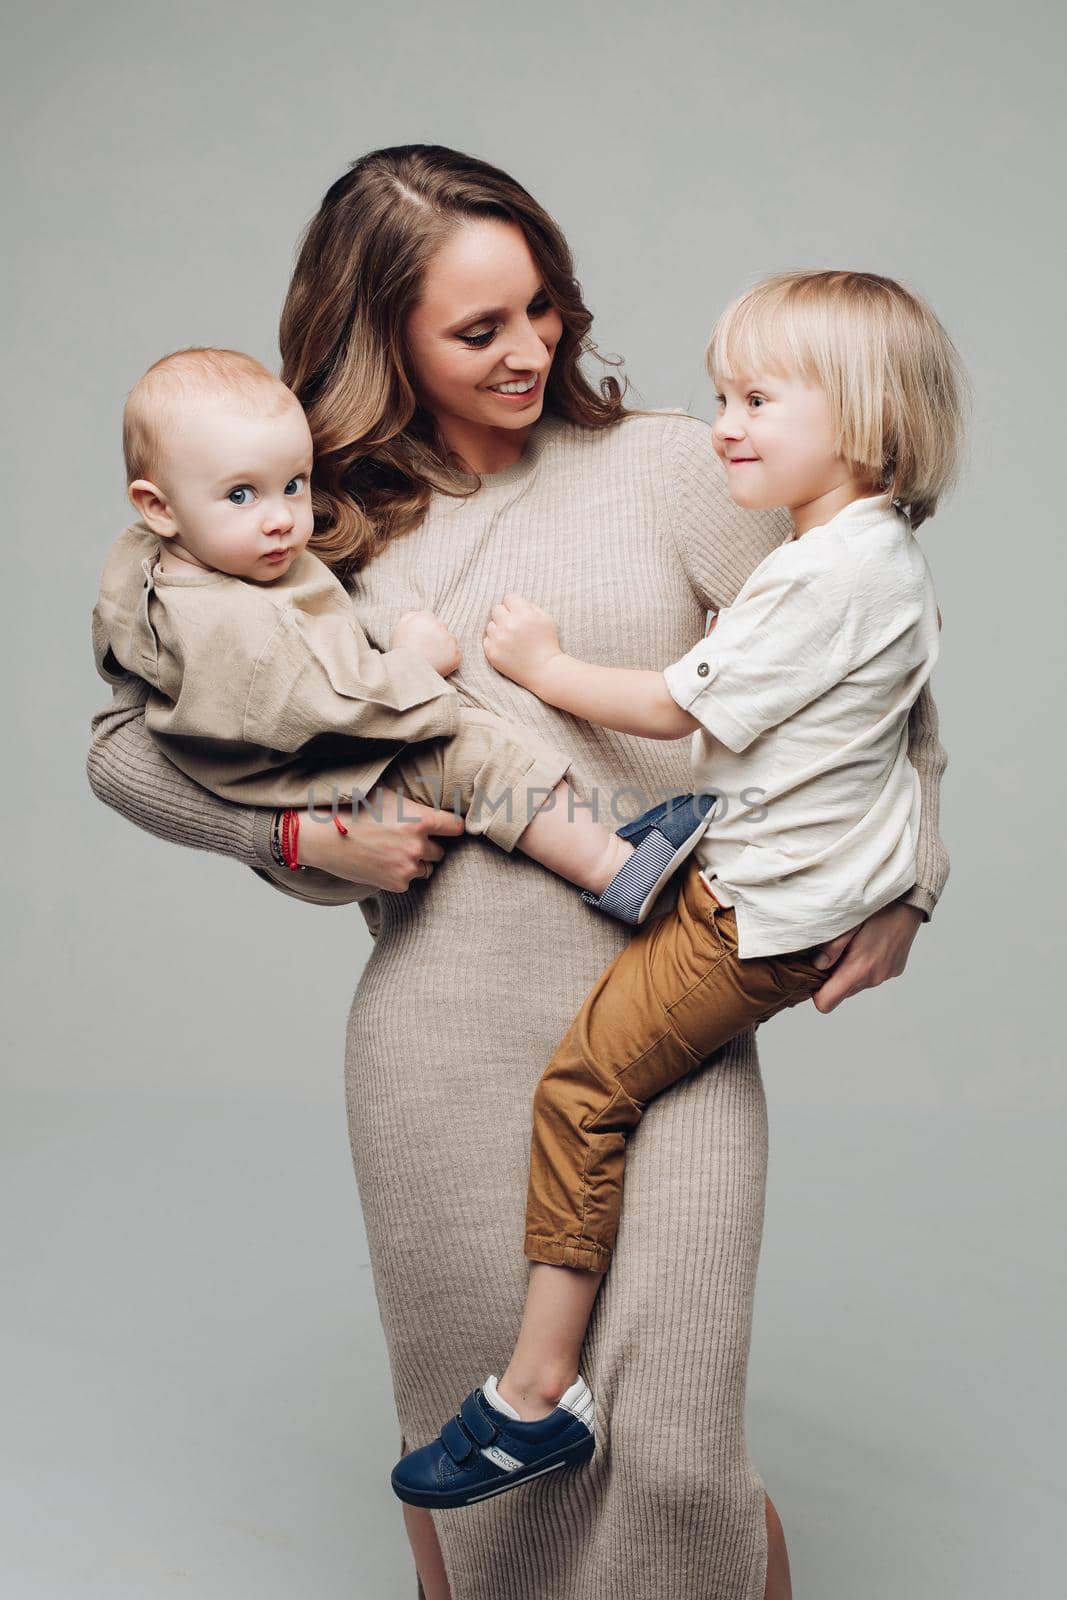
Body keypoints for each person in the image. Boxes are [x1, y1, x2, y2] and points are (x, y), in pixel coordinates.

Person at [87, 146, 950, 1600]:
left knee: (675, 1459)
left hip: (669, 1014)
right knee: (495, 1517)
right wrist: (299, 837)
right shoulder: (299, 529)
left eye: (541, 307)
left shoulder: (677, 468)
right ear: (382, 340)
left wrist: (908, 875)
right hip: (437, 1043)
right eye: (477, 329)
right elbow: (126, 749)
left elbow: (871, 673)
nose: (531, 349)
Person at [388, 270, 962, 1513]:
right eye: (720, 395)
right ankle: (646, 856)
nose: (724, 424)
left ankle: (534, 1397)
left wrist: (539, 664)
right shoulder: (866, 553)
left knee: (582, 1088)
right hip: (753, 872)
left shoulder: (819, 572)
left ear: (862, 420)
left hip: (752, 913)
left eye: (758, 398)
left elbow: (672, 706)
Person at [92, 344, 703, 922]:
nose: (280, 519)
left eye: (294, 485)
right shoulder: (239, 626)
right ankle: (616, 870)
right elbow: (331, 706)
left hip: (303, 787)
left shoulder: (152, 567)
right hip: (317, 795)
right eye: (241, 495)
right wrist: (411, 662)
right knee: (473, 752)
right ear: (158, 506)